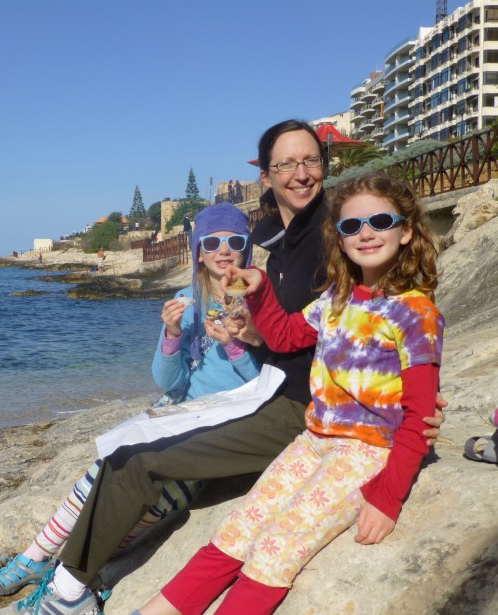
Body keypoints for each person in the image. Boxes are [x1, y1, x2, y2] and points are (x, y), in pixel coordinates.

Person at [0, 120, 446, 615]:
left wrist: (404, 422)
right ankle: (57, 570)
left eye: (310, 161)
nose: (300, 174)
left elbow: (389, 349)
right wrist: (250, 309)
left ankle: (67, 590)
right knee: (127, 450)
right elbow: (295, 331)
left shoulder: (333, 236)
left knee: (139, 461)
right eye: (286, 165)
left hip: (298, 410)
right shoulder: (281, 238)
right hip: (278, 399)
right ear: (266, 175)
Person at [137, 172, 443, 615]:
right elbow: (284, 336)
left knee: (277, 547)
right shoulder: (336, 298)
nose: (366, 233)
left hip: (366, 451)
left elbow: (419, 414)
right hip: (313, 439)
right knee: (237, 529)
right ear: (339, 239)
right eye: (351, 226)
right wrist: (259, 289)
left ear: (407, 229)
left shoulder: (416, 313)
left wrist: (387, 499)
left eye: (380, 220)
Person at [0, 202, 263, 598]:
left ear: (246, 250)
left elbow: (262, 383)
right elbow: (168, 380)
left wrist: (236, 346)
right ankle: (35, 555)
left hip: (227, 422)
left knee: (162, 499)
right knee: (107, 465)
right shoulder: (187, 299)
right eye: (212, 241)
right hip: (180, 410)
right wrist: (169, 335)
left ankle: (75, 570)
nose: (223, 250)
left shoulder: (259, 301)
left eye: (234, 241)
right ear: (199, 250)